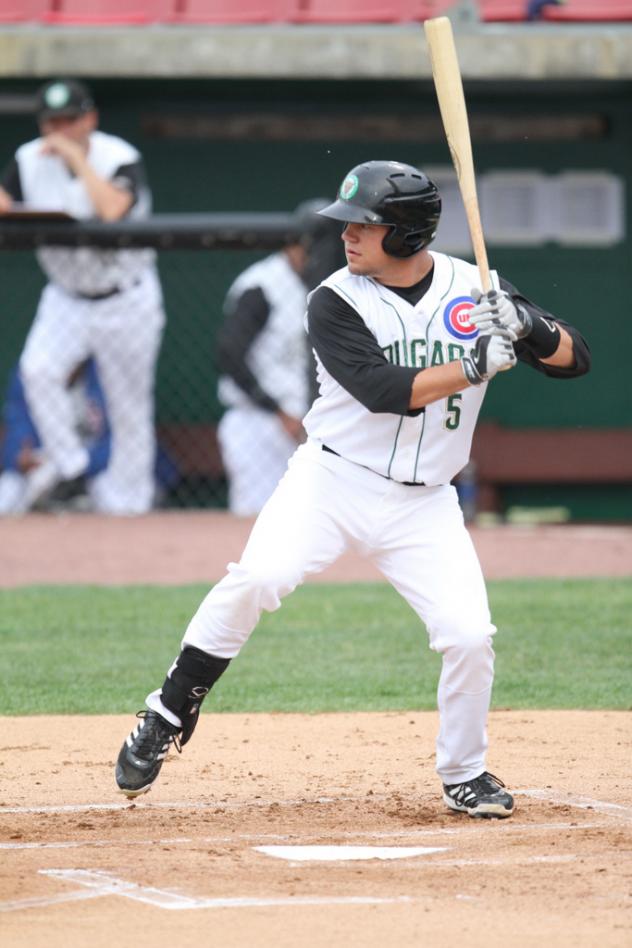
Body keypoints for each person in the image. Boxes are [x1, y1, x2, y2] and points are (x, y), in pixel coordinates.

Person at [115, 160, 590, 818]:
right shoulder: (333, 298)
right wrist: (474, 362)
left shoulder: (473, 286)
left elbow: (575, 360)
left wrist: (528, 326)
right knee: (258, 577)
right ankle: (168, 711)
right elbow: (383, 392)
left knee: (469, 636)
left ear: (405, 233)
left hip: (425, 500)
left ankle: (465, 772)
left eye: (363, 225)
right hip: (332, 480)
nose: (345, 236)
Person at [0, 78, 165, 514]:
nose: (59, 129)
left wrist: (75, 156)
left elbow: (112, 210)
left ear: (89, 118)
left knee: (128, 406)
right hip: (65, 295)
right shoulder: (27, 159)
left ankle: (130, 509)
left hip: (125, 297)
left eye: (69, 120)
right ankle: (70, 470)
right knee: (38, 371)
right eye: (52, 121)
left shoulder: (120, 156)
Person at [216, 199, 341, 516]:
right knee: (256, 519)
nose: (313, 256)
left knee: (310, 521)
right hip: (259, 423)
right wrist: (277, 411)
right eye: (308, 246)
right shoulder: (262, 285)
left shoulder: (334, 287)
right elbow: (230, 355)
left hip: (311, 425)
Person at [0, 359, 180, 514]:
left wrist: (81, 464)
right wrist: (19, 458)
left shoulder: (107, 373)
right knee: (7, 493)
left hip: (97, 465)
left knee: (115, 501)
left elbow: (120, 441)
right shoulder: (30, 374)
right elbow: (16, 430)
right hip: (47, 463)